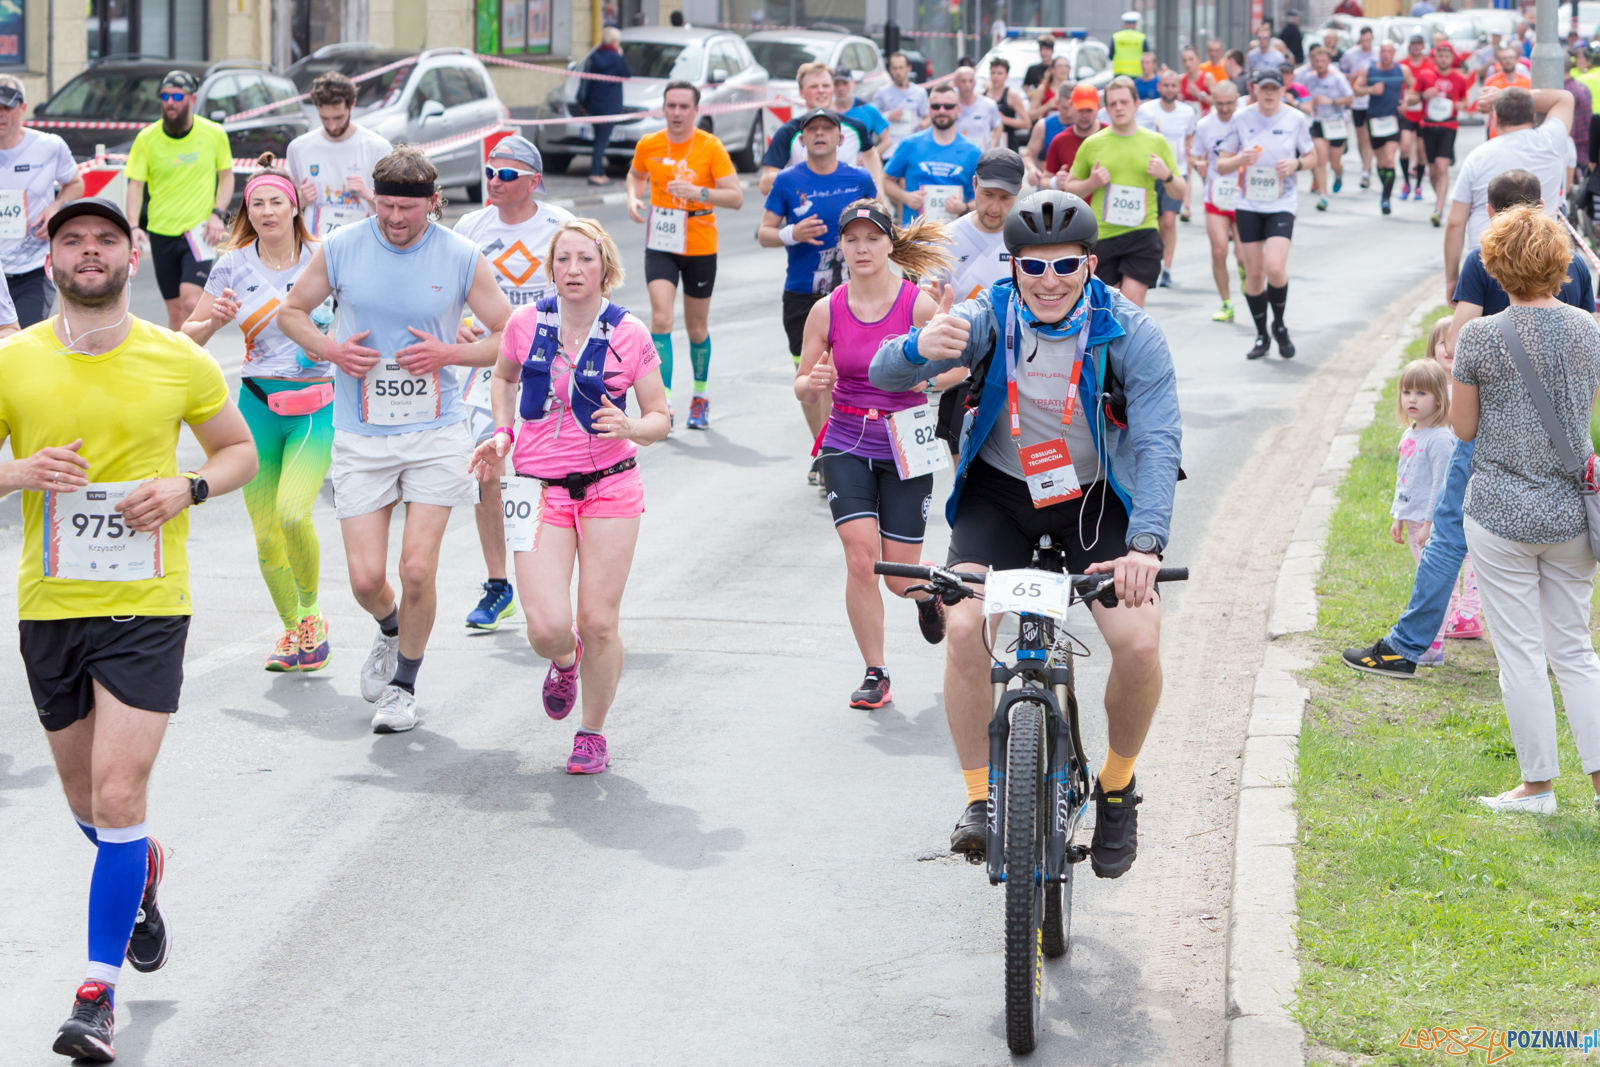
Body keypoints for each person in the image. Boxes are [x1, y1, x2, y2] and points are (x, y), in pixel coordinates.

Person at [0, 196, 256, 1061]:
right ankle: (137, 869)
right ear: (54, 255)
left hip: (148, 602)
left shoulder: (177, 358)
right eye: (73, 239)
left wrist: (188, 489)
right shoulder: (15, 361)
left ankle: (95, 994)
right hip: (50, 604)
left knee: (117, 796)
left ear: (132, 253)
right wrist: (18, 470)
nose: (90, 251)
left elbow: (237, 450)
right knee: (88, 803)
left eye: (106, 238)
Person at [866, 189, 1182, 877]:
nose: (1049, 281)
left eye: (1065, 266)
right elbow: (883, 371)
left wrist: (1146, 547)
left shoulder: (1131, 331)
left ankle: (1119, 785)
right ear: (1010, 267)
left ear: (1091, 265)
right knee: (962, 628)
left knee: (1138, 642)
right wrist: (921, 344)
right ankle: (981, 799)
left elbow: (1158, 441)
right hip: (1001, 495)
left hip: (1096, 499)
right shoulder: (987, 315)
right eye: (1031, 268)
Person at [277, 146, 513, 733]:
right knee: (364, 579)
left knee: (414, 569)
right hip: (361, 432)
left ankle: (403, 686)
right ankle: (390, 627)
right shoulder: (343, 246)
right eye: (385, 207)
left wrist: (450, 353)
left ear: (434, 202)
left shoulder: (460, 255)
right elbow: (292, 312)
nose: (395, 219)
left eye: (408, 209)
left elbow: (510, 334)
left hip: (436, 432)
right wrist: (329, 349)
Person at [1345, 170, 1595, 682]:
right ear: (1543, 204)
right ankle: (1562, 651)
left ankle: (1408, 645)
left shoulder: (1484, 260)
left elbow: (1458, 345)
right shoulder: (1573, 268)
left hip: (1494, 423)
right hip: (1564, 432)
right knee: (1559, 562)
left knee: (1450, 535)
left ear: (1490, 209)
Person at [468, 218, 670, 774]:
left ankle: (592, 732)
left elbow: (660, 416)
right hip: (537, 489)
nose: (573, 269)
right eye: (563, 259)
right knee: (547, 626)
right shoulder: (525, 323)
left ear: (604, 267)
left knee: (599, 621)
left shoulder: (629, 332)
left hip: (610, 486)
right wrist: (503, 432)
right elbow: (504, 378)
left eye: (585, 259)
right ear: (550, 267)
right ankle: (564, 659)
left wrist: (632, 427)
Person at [1450, 205, 1600, 816]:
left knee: (1520, 652)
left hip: (1501, 510)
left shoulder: (1478, 336)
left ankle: (1537, 787)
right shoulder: (1590, 329)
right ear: (1560, 263)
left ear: (1495, 263)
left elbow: (1463, 429)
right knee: (1575, 649)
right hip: (1571, 511)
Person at [180, 156, 335, 672]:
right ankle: (294, 632)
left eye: (276, 202)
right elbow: (187, 340)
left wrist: (328, 345)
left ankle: (312, 615)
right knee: (266, 533)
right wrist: (215, 321)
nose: (267, 211)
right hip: (255, 407)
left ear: (295, 207)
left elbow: (358, 324)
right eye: (257, 204)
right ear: (247, 211)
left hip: (315, 405)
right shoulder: (232, 264)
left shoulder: (323, 256)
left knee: (293, 513)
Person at [796, 201, 951, 707]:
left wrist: (927, 370)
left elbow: (958, 372)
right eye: (852, 240)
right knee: (862, 560)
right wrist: (813, 382)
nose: (862, 249)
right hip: (846, 438)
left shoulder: (919, 306)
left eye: (872, 239)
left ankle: (928, 595)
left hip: (906, 439)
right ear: (841, 247)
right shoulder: (827, 309)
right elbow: (802, 383)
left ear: (890, 244)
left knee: (898, 577)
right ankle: (876, 671)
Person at [454, 136, 575, 631]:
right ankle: (498, 583)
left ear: (533, 180)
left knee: (547, 475)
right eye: (489, 172)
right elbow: (446, 288)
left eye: (505, 175)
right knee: (488, 466)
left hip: (552, 367)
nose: (493, 182)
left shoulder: (561, 225)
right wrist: (457, 320)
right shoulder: (468, 227)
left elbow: (593, 284)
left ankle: (551, 586)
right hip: (489, 366)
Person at [759, 108, 879, 483]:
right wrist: (791, 233)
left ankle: (844, 448)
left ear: (841, 138)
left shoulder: (859, 177)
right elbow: (764, 233)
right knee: (810, 375)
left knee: (848, 373)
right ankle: (824, 447)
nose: (821, 134)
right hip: (802, 293)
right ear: (803, 139)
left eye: (828, 128)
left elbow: (881, 226)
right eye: (813, 129)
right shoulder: (787, 180)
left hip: (853, 293)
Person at [626, 80, 742, 433]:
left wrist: (699, 192)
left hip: (700, 243)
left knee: (696, 328)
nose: (677, 113)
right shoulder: (649, 143)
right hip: (661, 240)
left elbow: (736, 197)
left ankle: (700, 396)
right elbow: (635, 174)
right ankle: (663, 404)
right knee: (661, 320)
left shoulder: (710, 146)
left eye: (684, 107)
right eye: (671, 106)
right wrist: (633, 197)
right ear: (663, 108)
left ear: (696, 110)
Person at [927, 150, 1023, 454]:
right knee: (964, 467)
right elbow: (927, 304)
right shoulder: (946, 237)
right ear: (973, 185)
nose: (994, 207)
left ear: (1019, 193)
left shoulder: (1028, 239)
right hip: (963, 373)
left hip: (1018, 372)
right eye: (987, 195)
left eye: (1005, 198)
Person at [1217, 68, 1315, 361]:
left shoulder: (1295, 118)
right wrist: (1239, 159)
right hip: (1248, 203)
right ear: (1254, 89)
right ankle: (1261, 333)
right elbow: (1221, 165)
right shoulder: (1241, 118)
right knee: (1255, 272)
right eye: (1264, 88)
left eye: (1275, 88)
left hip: (1281, 202)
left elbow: (1313, 157)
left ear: (1283, 89)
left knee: (1275, 267)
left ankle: (1280, 325)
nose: (1270, 93)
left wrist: (1295, 165)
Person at [124, 71, 233, 331]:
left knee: (192, 302)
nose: (170, 102)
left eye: (176, 96)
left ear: (192, 99)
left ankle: (195, 363)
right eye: (165, 96)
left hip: (198, 232)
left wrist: (218, 214)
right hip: (161, 232)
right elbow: (135, 185)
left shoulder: (214, 133)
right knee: (174, 314)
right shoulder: (147, 138)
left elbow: (226, 177)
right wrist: (132, 226)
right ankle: (179, 365)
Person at [1064, 75, 1186, 308]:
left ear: (1136, 104)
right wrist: (1092, 183)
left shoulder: (1156, 142)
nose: (1119, 108)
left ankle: (1131, 344)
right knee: (1103, 307)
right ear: (1106, 108)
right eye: (1113, 104)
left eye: (1124, 102)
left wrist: (1166, 175)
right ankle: (1110, 346)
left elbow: (1180, 191)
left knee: (1131, 302)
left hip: (1143, 233)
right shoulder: (1093, 143)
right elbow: (1070, 188)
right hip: (1104, 235)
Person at [1444, 87, 1575, 302]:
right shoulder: (1551, 141)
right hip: (1541, 256)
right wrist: (1504, 95)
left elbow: (1455, 223)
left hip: (1488, 261)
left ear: (1495, 118)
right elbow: (1564, 97)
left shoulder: (1478, 157)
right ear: (1533, 115)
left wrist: (1451, 278)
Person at [0, 75, 82, 327]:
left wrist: (55, 208)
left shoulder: (49, 146)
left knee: (21, 341)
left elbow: (75, 183)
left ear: (22, 108)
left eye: (7, 107)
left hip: (33, 269)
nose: (0, 114)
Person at [1388, 357, 1454, 664]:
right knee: (1423, 581)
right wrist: (1398, 515)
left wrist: (1429, 523)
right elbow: (1406, 476)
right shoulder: (1410, 434)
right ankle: (1430, 641)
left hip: (1430, 526)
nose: (1412, 399)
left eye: (1421, 393)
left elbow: (1442, 486)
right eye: (1407, 392)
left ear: (1439, 398)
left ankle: (1434, 646)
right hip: (1413, 521)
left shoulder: (1440, 439)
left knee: (1430, 585)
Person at [284, 71, 393, 239]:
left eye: (338, 117)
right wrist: (299, 199)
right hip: (316, 246)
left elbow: (396, 207)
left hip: (364, 243)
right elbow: (283, 203)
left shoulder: (377, 147)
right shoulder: (299, 148)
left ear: (352, 104)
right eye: (324, 118)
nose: (332, 125)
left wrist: (368, 194)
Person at [761, 62, 884, 196]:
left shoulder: (854, 127)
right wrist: (803, 175)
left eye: (826, 85)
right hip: (806, 211)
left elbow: (871, 155)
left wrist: (878, 194)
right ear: (801, 92)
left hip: (847, 213)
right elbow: (765, 185)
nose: (821, 90)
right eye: (814, 86)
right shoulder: (789, 132)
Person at [884, 83, 980, 224]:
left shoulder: (973, 151)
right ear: (929, 110)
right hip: (915, 237)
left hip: (952, 237)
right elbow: (885, 180)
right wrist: (906, 197)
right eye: (936, 106)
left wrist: (964, 207)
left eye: (948, 106)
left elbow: (980, 201)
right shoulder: (910, 144)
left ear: (958, 110)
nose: (942, 110)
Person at [1137, 70, 1198, 289]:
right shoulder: (1146, 111)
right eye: (1166, 85)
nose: (1170, 89)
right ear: (1159, 87)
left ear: (1178, 88)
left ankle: (1167, 269)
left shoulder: (1187, 112)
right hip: (1149, 171)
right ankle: (1151, 263)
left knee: (1169, 221)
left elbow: (1189, 135)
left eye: (1174, 85)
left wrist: (1188, 154)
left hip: (1175, 171)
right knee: (1151, 223)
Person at [1191, 79, 1242, 322]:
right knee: (1219, 250)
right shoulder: (1204, 125)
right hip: (1216, 194)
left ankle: (1248, 283)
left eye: (1229, 103)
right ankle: (1226, 302)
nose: (1224, 109)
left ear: (1237, 99)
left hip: (1243, 196)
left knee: (1243, 256)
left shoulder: (1246, 121)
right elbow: (1194, 155)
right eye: (1219, 104)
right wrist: (1198, 165)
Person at [1409, 41, 1470, 227]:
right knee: (1433, 170)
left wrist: (1461, 106)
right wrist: (1422, 96)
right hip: (1428, 125)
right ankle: (1440, 199)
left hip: (1448, 126)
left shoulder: (1459, 79)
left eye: (1447, 56)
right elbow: (1410, 98)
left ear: (1452, 59)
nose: (1443, 59)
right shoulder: (1425, 75)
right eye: (1440, 56)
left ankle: (1439, 208)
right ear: (1436, 57)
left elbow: (1465, 101)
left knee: (1442, 167)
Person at [1353, 40, 1412, 214]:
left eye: (1389, 51)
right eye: (1383, 51)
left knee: (1388, 158)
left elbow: (1411, 86)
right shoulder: (1369, 69)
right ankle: (1385, 190)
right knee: (1380, 162)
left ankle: (1385, 199)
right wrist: (1370, 90)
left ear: (1394, 53)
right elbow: (1356, 88)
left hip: (1393, 119)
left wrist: (1406, 101)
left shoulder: (1402, 70)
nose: (1386, 54)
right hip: (1374, 120)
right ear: (1379, 53)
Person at [1301, 45, 1354, 211]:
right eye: (1316, 61)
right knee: (1320, 159)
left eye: (1323, 61)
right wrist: (1309, 104)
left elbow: (1350, 99)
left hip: (1336, 122)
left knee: (1334, 161)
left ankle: (1338, 173)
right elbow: (1304, 95)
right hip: (1319, 122)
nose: (1320, 64)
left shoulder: (1337, 78)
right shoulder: (1309, 78)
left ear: (1329, 62)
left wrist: (1331, 101)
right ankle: (1322, 195)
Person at [577, 26, 631, 186]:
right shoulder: (616, 58)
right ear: (614, 42)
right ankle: (595, 174)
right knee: (602, 142)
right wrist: (621, 56)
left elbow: (586, 80)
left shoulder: (594, 56)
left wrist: (583, 102)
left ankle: (600, 172)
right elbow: (626, 74)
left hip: (594, 104)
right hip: (609, 105)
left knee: (599, 140)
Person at [1341, 26, 1379, 188]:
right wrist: (1352, 76)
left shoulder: (1378, 54)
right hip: (1357, 101)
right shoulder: (1350, 54)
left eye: (1368, 40)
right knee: (1360, 137)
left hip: (1373, 101)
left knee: (1369, 137)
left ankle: (1366, 170)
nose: (1366, 43)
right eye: (1363, 40)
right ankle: (1366, 165)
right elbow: (1341, 73)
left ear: (1372, 39)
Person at [1398, 34, 1435, 201]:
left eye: (1419, 44)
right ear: (1409, 46)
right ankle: (1406, 182)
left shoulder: (1430, 65)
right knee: (1404, 148)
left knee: (1422, 154)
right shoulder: (1402, 65)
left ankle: (1418, 185)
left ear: (1423, 46)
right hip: (1407, 113)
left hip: (1424, 114)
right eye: (1413, 44)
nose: (1416, 47)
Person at [872, 52, 930, 158]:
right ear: (890, 70)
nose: (898, 72)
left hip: (912, 147)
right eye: (894, 68)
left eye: (901, 68)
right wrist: (889, 115)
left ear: (908, 68)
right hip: (889, 149)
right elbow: (873, 119)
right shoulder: (882, 92)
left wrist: (924, 124)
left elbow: (928, 116)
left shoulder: (919, 92)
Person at [1023, 81, 1081, 187]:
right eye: (1064, 108)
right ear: (1056, 103)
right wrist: (1032, 170)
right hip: (1049, 186)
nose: (1068, 113)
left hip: (1078, 185)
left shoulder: (1085, 125)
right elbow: (1028, 155)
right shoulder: (1044, 125)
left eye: (1072, 107)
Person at [1044, 84, 1105, 182]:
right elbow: (1045, 178)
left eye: (1089, 110)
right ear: (1070, 106)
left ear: (1098, 107)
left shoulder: (1110, 135)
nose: (1084, 115)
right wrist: (1055, 182)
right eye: (1080, 110)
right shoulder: (1060, 140)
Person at [833, 69, 890, 159]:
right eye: (836, 84)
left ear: (853, 83)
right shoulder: (826, 112)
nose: (840, 88)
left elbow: (886, 140)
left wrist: (868, 157)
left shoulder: (868, 109)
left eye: (845, 83)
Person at [984, 57, 1032, 152]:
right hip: (987, 142)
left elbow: (1027, 123)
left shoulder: (1011, 95)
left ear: (1006, 75)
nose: (996, 76)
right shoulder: (982, 95)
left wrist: (1003, 119)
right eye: (993, 73)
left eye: (1000, 73)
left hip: (1008, 145)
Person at [953, 65, 1003, 149]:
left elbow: (998, 126)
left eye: (971, 81)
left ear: (975, 83)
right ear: (955, 83)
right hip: (957, 153)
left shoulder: (989, 104)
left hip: (982, 155)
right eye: (963, 81)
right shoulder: (948, 106)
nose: (967, 85)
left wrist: (992, 147)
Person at [1113, 11, 1150, 76]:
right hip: (1137, 74)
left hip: (1119, 73)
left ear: (1124, 24)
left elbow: (1111, 56)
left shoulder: (1116, 36)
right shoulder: (1141, 37)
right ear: (1135, 24)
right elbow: (1147, 55)